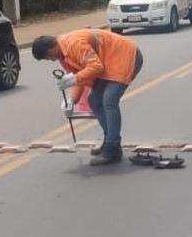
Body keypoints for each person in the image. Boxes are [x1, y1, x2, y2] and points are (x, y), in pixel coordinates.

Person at [32, 28, 144, 165]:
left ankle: (113, 148)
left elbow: (94, 68)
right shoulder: (64, 56)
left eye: (48, 58)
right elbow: (82, 76)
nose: (51, 60)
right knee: (94, 100)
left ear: (50, 51)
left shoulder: (74, 44)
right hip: (107, 63)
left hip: (125, 57)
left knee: (109, 101)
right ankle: (109, 141)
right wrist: (72, 99)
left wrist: (73, 79)